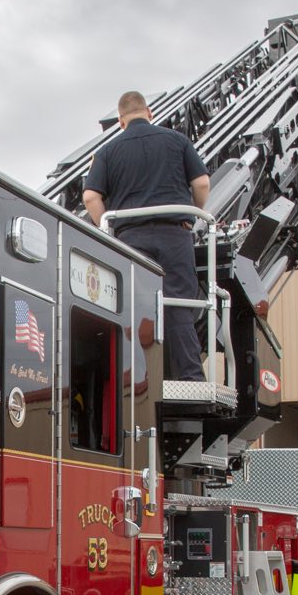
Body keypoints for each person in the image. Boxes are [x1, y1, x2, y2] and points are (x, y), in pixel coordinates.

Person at [82, 91, 211, 381]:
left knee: (133, 309)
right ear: (150, 112)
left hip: (130, 241)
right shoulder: (177, 141)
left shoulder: (106, 152)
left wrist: (107, 229)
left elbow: (90, 197)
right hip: (174, 236)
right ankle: (190, 377)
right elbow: (202, 183)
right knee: (178, 305)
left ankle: (137, 378)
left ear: (120, 121)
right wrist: (193, 211)